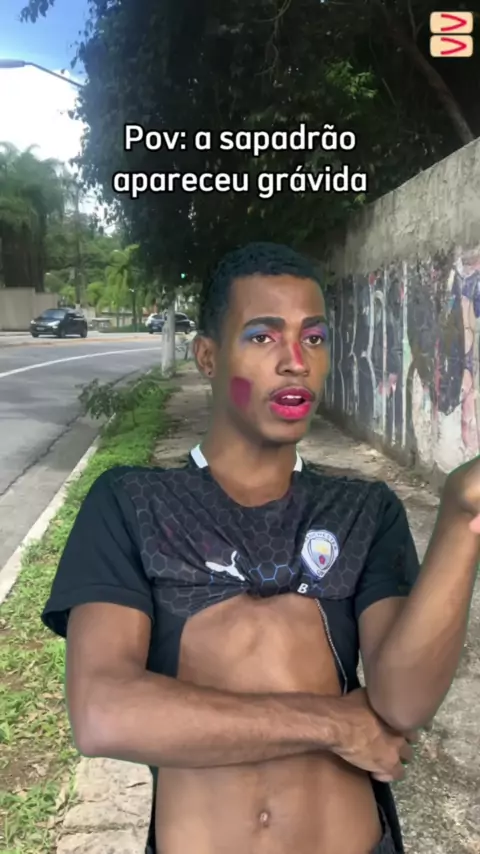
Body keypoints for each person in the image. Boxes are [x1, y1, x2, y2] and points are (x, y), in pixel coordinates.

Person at [42, 242, 480, 854]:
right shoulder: (134, 505)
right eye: (263, 337)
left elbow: (402, 703)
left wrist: (463, 517)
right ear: (208, 357)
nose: (295, 361)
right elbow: (103, 711)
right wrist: (332, 723)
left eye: (314, 338)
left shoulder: (362, 510)